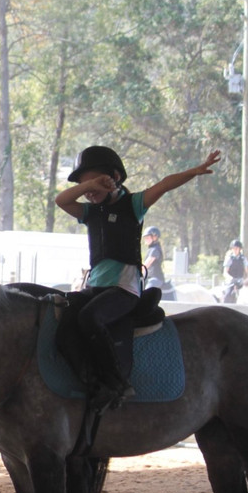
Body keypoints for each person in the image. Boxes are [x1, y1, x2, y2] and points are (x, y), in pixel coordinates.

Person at [56, 145, 221, 406]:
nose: (88, 191)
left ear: (114, 177)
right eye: (83, 186)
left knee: (90, 317)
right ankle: (87, 379)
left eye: (95, 181)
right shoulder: (89, 212)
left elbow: (164, 185)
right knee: (62, 319)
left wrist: (196, 170)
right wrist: (90, 185)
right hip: (96, 287)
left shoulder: (132, 204)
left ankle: (117, 383)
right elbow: (61, 200)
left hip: (124, 289)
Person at [222, 238, 248, 303]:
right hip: (231, 281)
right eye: (234, 248)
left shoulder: (243, 259)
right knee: (228, 294)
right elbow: (225, 272)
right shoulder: (229, 259)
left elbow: (247, 272)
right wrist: (231, 278)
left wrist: (247, 279)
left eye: (237, 248)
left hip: (241, 280)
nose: (235, 250)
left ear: (239, 249)